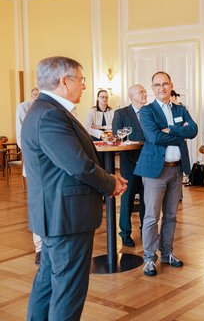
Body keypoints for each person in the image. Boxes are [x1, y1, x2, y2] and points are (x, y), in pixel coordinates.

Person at [21, 56, 127, 320]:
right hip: (66, 217)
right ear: (64, 81)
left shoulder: (44, 110)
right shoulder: (50, 115)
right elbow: (78, 165)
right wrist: (111, 182)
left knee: (47, 282)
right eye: (81, 79)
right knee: (68, 290)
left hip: (57, 214)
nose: (84, 85)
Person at [134, 71, 197, 276]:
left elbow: (194, 130)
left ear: (171, 85)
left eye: (165, 84)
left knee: (170, 216)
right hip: (155, 171)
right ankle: (149, 259)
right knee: (152, 217)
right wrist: (180, 132)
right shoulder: (147, 111)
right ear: (152, 88)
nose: (161, 88)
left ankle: (167, 253)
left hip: (176, 169)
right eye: (157, 85)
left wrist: (170, 130)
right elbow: (154, 137)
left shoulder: (180, 108)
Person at [112, 84, 147, 247]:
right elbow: (116, 138)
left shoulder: (150, 112)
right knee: (128, 199)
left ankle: (146, 229)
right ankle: (125, 233)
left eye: (145, 92)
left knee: (147, 198)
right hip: (130, 163)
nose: (145, 94)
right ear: (132, 96)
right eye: (141, 92)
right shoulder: (121, 113)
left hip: (148, 161)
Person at [15, 87, 42, 265]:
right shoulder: (24, 108)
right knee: (37, 204)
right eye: (35, 94)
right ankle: (39, 248)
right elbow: (21, 137)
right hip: (35, 162)